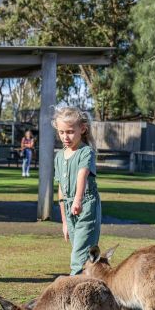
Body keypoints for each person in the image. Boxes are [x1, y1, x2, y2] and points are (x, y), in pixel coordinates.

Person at [54, 106, 101, 275]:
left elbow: (82, 175)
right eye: (61, 132)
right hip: (69, 207)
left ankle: (76, 289)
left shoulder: (85, 152)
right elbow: (60, 189)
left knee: (79, 256)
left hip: (85, 205)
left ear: (82, 129)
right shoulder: (59, 156)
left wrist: (78, 200)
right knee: (82, 252)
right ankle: (94, 284)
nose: (65, 137)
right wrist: (65, 222)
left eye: (70, 132)